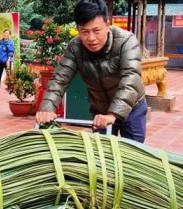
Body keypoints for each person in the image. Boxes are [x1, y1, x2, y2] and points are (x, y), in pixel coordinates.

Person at [36, 0, 147, 143]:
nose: (91, 38)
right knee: (101, 154)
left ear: (107, 24)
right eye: (84, 31)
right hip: (100, 110)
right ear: (78, 29)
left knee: (134, 154)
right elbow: (59, 79)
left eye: (96, 30)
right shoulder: (75, 47)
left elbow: (131, 78)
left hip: (132, 107)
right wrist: (47, 108)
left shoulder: (126, 41)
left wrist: (113, 114)